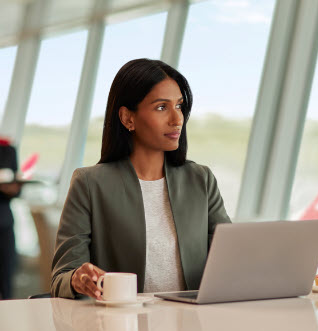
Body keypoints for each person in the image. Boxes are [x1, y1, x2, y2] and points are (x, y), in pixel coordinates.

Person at [51, 58, 231, 299]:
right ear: (127, 118)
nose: (177, 119)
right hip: (122, 327)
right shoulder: (90, 183)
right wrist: (77, 279)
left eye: (179, 106)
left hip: (192, 325)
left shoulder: (201, 179)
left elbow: (230, 258)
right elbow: (62, 276)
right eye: (161, 107)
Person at [0, 137, 21, 299]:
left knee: (6, 276)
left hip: (4, 222)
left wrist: (12, 188)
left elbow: (16, 188)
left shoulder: (7, 150)